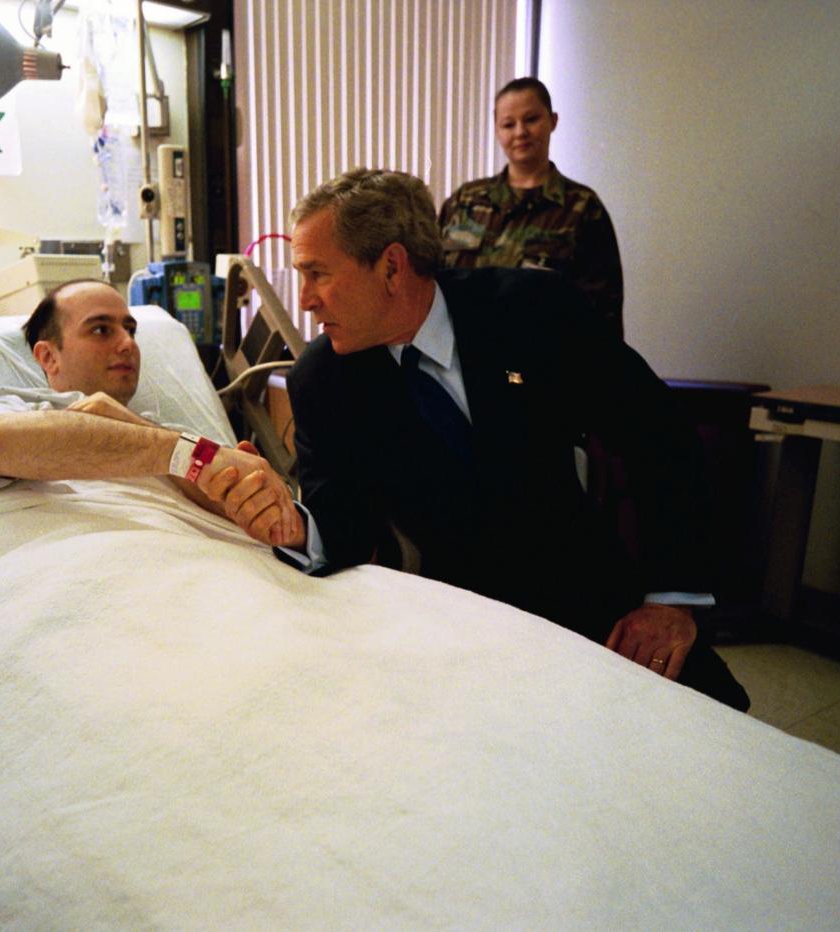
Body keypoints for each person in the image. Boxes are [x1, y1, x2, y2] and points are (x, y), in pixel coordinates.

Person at [240, 168, 746, 709]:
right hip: (465, 626)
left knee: (724, 734)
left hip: (588, 590)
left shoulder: (533, 311)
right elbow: (342, 522)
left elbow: (659, 436)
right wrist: (290, 525)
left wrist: (671, 600)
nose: (306, 300)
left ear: (391, 266)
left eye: (317, 274)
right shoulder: (323, 381)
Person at [0, 279, 301, 547]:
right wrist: (185, 454)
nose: (128, 343)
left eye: (130, 330)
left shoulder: (172, 433)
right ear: (48, 357)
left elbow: (277, 529)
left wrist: (272, 507)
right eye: (101, 329)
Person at [439, 77, 624, 340]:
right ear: (497, 130)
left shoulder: (582, 207)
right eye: (508, 124)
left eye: (531, 119)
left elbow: (603, 313)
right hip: (463, 364)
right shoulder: (465, 201)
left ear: (553, 121)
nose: (520, 132)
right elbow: (429, 285)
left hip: (547, 367)